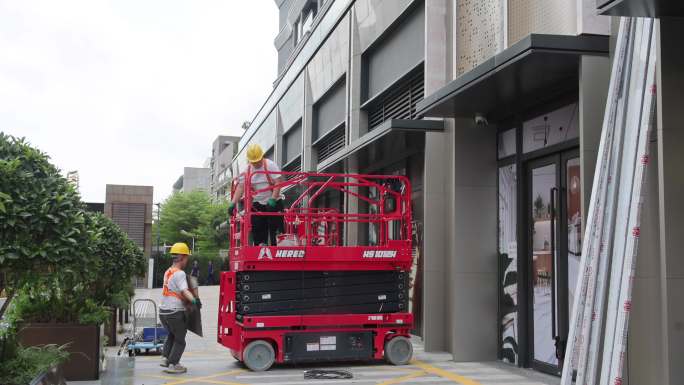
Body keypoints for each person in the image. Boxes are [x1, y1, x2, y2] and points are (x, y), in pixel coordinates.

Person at [229, 143, 285, 246]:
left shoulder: (270, 165)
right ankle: (260, 249)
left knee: (276, 231)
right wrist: (232, 203)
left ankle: (277, 249)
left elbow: (278, 182)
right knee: (258, 230)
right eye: (253, 162)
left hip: (274, 201)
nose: (256, 164)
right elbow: (240, 187)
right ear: (250, 161)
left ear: (262, 156)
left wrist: (273, 199)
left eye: (258, 161)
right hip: (258, 203)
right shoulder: (248, 170)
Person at [159, 242, 201, 374]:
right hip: (174, 312)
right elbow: (184, 291)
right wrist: (195, 300)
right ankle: (174, 364)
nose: (187, 260)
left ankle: (165, 358)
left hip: (163, 312)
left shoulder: (168, 271)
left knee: (172, 334)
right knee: (180, 340)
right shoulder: (180, 274)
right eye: (187, 257)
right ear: (182, 257)